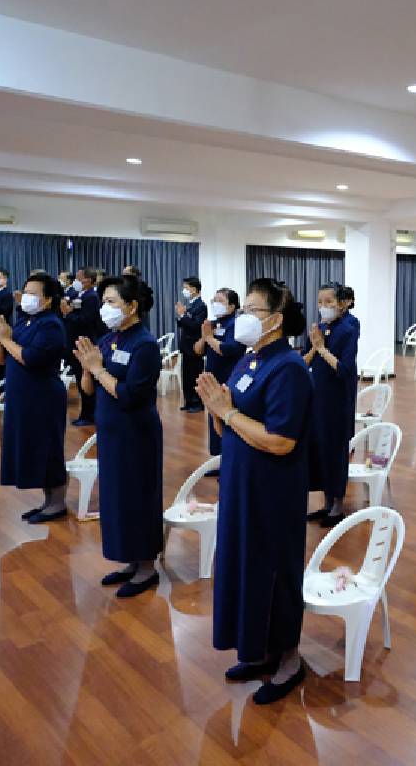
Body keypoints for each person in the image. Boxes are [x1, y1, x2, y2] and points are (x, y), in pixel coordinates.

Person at [196, 278, 311, 705]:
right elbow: (230, 424)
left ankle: (288, 660)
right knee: (244, 566)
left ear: (277, 320)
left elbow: (281, 440)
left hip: (273, 489)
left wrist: (226, 411)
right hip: (241, 482)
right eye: (241, 309)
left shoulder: (289, 368)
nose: (242, 318)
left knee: (274, 570)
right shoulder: (249, 360)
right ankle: (257, 648)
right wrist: (217, 411)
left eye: (252, 311)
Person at [72, 275, 163, 598]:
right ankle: (129, 559)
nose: (105, 308)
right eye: (105, 302)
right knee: (115, 498)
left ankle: (147, 567)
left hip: (136, 433)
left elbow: (129, 395)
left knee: (137, 496)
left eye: (112, 302)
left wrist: (98, 369)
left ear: (132, 306)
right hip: (109, 431)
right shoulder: (109, 338)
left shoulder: (145, 344)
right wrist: (87, 368)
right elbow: (89, 391)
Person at [0, 273, 69, 521]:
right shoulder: (25, 321)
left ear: (47, 300)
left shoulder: (51, 324)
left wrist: (5, 339)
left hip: (43, 396)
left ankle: (57, 503)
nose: (26, 297)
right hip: (22, 396)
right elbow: (0, 358)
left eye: (33, 293)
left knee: (47, 448)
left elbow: (31, 358)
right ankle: (47, 502)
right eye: (25, 291)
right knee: (32, 447)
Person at [303, 282, 360, 528]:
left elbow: (344, 369)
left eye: (329, 302)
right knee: (318, 448)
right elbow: (304, 360)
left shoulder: (348, 329)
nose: (324, 307)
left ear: (342, 303)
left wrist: (321, 349)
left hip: (337, 398)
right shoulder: (318, 327)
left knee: (335, 450)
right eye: (320, 302)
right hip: (317, 395)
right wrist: (315, 348)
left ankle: (337, 505)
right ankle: (325, 502)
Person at [195, 288, 247, 473]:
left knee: (226, 421)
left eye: (220, 301)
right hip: (212, 376)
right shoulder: (213, 323)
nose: (215, 304)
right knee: (213, 420)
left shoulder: (236, 324)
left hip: (228, 376)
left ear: (232, 306)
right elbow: (198, 350)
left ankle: (229, 463)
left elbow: (228, 349)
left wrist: (209, 338)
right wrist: (204, 337)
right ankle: (217, 461)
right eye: (214, 300)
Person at [63, 267, 104, 427]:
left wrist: (68, 314)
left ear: (88, 280)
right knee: (80, 379)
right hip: (73, 341)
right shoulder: (76, 294)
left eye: (79, 278)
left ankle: (89, 414)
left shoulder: (92, 297)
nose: (76, 281)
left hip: (85, 342)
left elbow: (86, 319)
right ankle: (86, 412)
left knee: (85, 379)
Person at [176, 276, 208, 413]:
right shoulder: (190, 304)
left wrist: (183, 316)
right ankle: (188, 401)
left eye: (186, 288)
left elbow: (196, 325)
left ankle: (197, 403)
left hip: (195, 347)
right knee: (187, 377)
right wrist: (181, 317)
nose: (184, 290)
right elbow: (183, 323)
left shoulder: (201, 306)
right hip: (186, 346)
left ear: (194, 289)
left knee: (195, 375)